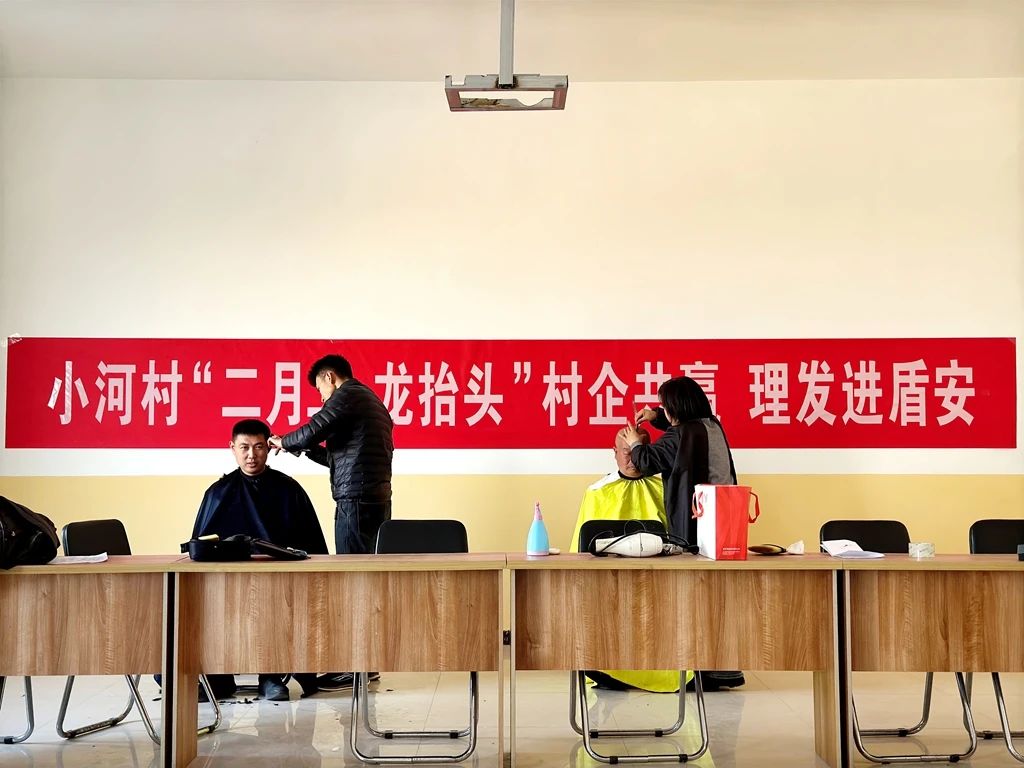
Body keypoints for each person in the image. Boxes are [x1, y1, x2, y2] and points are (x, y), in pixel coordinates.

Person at [269, 354, 394, 691]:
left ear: (329, 377)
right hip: (374, 499)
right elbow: (337, 456)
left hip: (355, 500)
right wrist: (300, 449)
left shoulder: (347, 394)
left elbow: (314, 428)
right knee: (365, 580)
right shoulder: (371, 402)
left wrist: (284, 441)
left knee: (351, 581)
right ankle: (366, 664)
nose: (321, 397)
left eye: (319, 389)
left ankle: (353, 667)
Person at [622, 375, 745, 691]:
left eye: (664, 406)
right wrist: (656, 417)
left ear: (676, 408)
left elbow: (648, 461)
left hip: (698, 526)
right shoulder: (711, 426)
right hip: (725, 522)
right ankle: (725, 666)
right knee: (719, 596)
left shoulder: (681, 435)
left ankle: (703, 667)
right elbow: (681, 433)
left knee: (697, 597)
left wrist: (635, 443)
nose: (663, 411)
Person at [192, 418, 329, 701]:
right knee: (213, 604)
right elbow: (201, 547)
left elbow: (312, 546)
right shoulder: (218, 493)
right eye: (244, 447)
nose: (251, 455)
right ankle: (219, 678)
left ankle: (271, 676)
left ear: (269, 448)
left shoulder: (288, 490)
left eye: (258, 447)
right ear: (232, 448)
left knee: (272, 603)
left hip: (278, 581)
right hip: (229, 581)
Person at [569, 426, 681, 693]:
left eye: (637, 451)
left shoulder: (666, 488)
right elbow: (582, 547)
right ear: (614, 453)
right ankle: (607, 666)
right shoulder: (597, 492)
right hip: (610, 579)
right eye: (625, 452)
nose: (631, 460)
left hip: (658, 577)